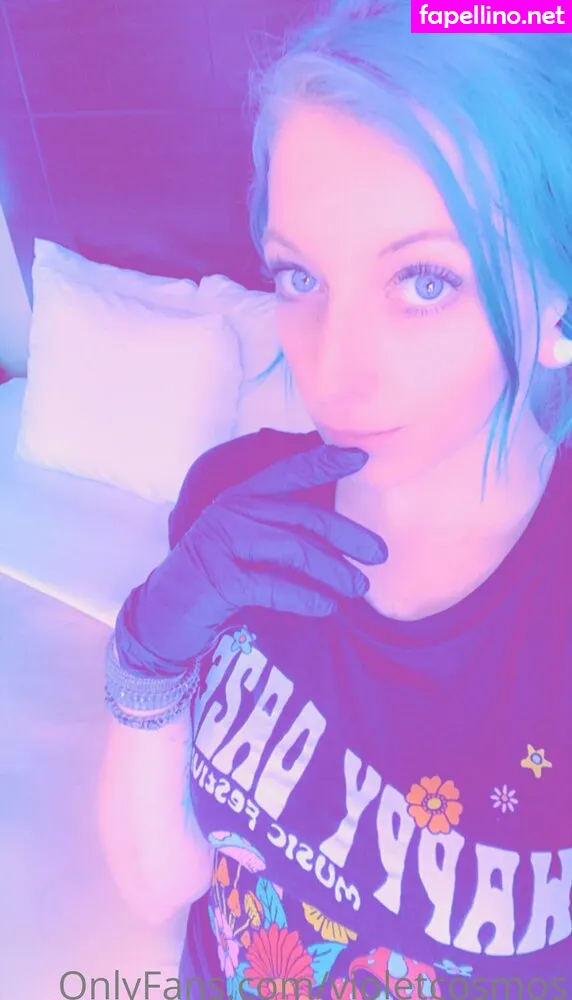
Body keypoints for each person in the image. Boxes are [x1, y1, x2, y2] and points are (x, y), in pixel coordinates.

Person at [99, 1, 572, 996]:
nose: (332, 373)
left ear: (555, 303)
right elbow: (159, 886)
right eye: (298, 275)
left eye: (425, 281)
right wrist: (148, 652)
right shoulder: (230, 503)